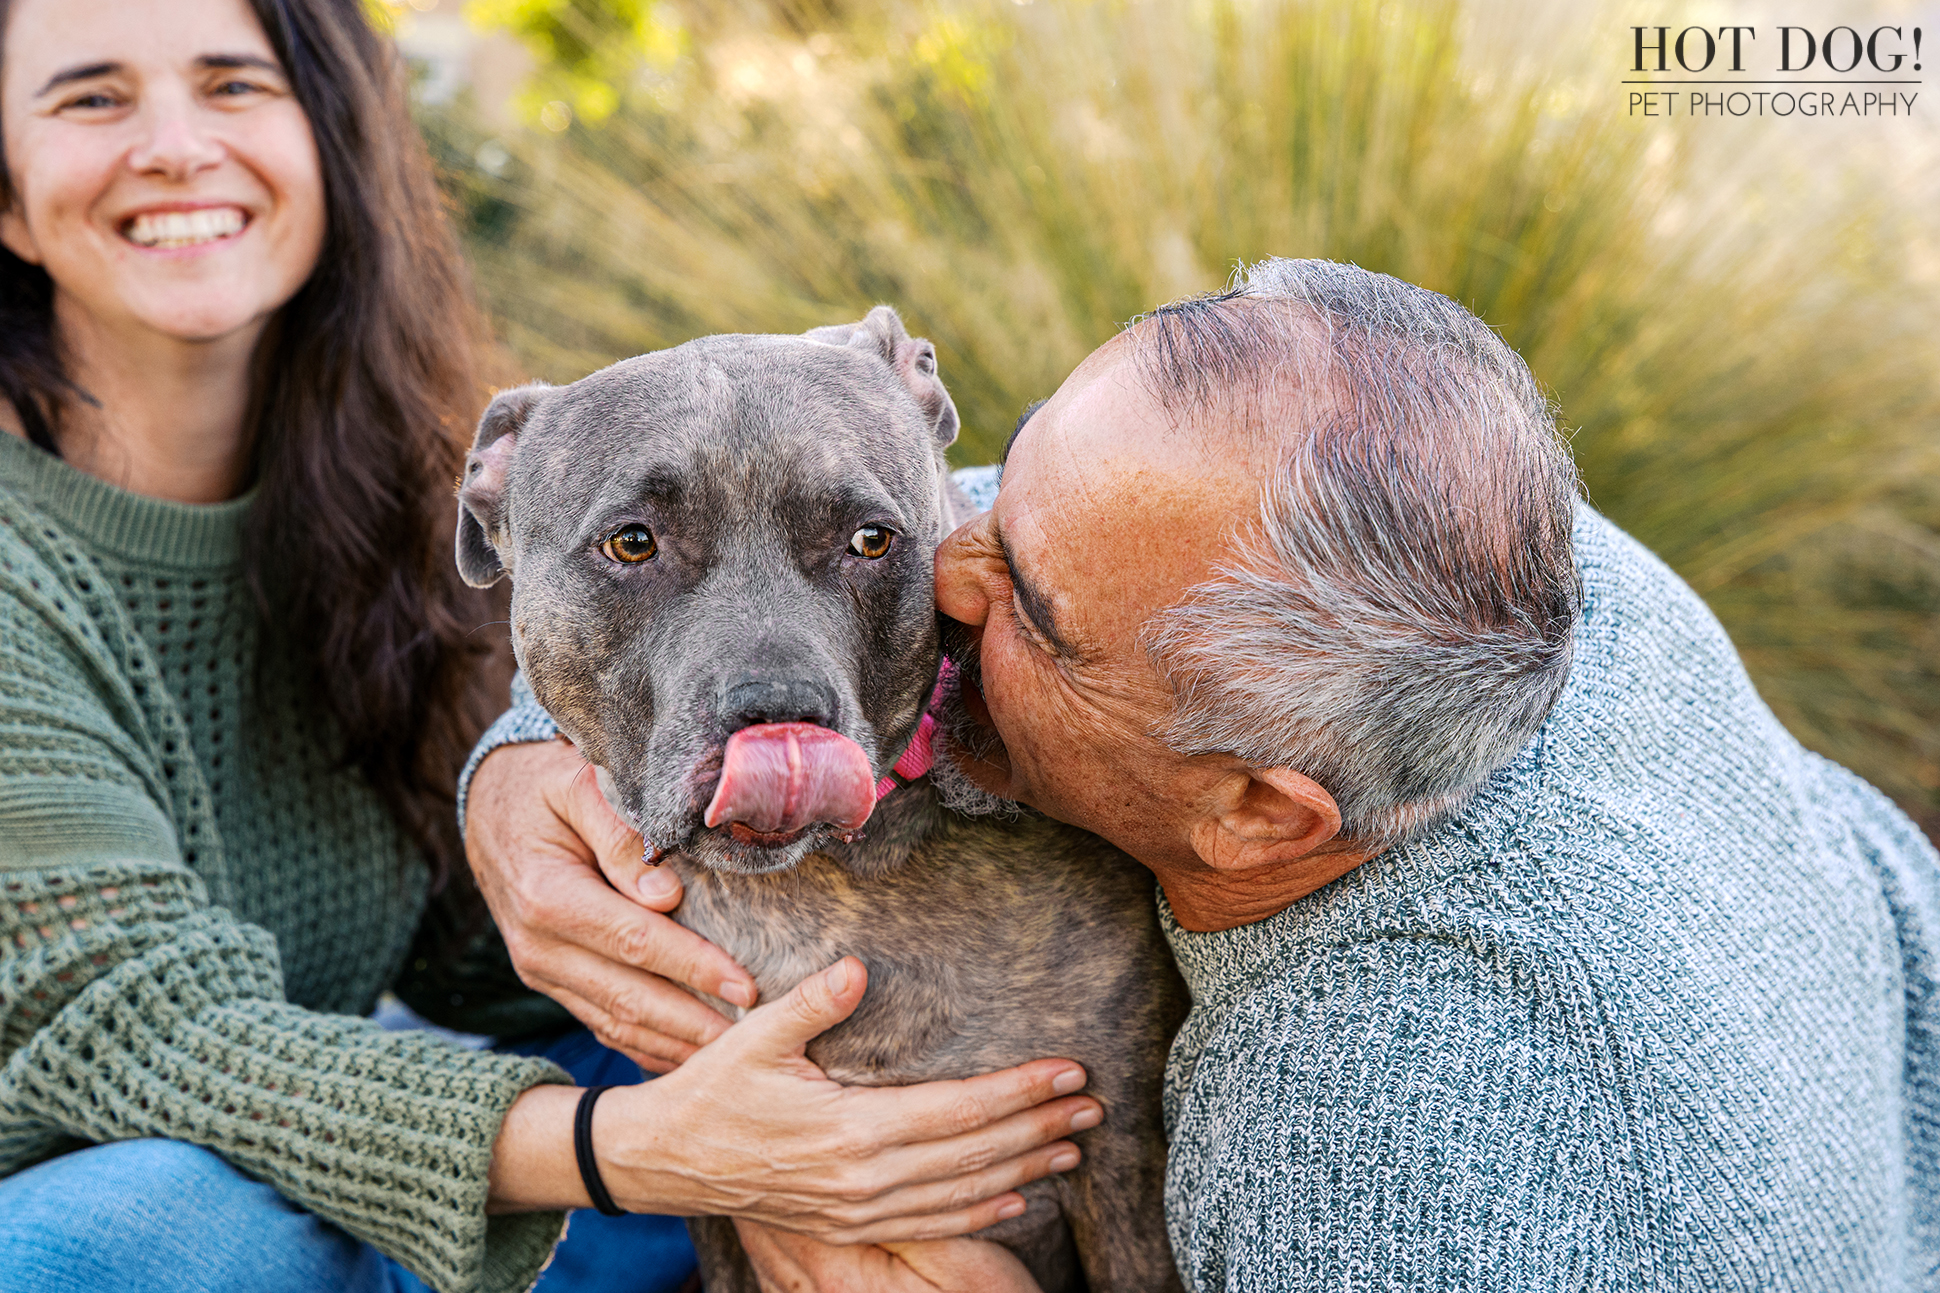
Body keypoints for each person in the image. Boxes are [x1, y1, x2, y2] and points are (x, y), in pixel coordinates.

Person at [466, 259, 1940, 1291]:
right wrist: (522, 758)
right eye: (995, 489)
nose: (948, 582)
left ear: (1254, 808)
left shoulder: (1356, 1164)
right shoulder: (1535, 548)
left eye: (1029, 610)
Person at [0, 2, 1098, 1290]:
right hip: (127, 1183)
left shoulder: (396, 486)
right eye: (91, 98)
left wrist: (522, 777)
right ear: (7, 199)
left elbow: (909, 509)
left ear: (334, 139)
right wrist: (664, 1151)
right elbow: (133, 1026)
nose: (179, 144)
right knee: (139, 1231)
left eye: (235, 84)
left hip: (365, 1149)